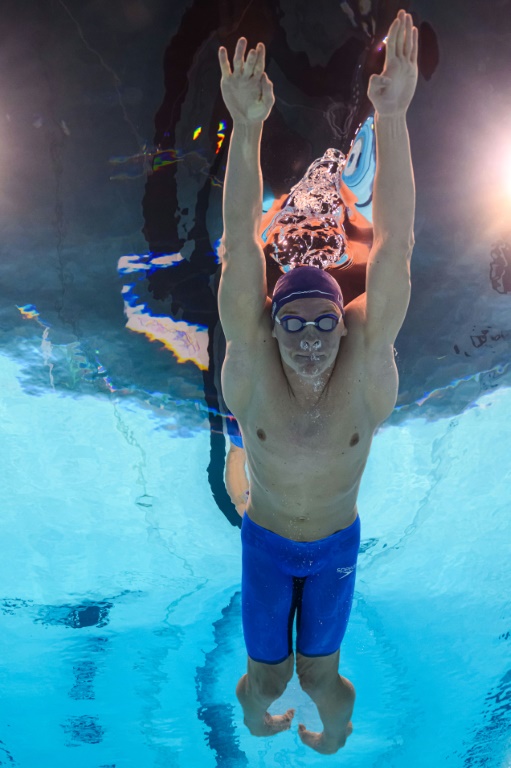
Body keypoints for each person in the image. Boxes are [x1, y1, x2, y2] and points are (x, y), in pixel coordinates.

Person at [217, 9, 418, 755]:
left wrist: (391, 116)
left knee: (320, 680)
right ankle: (252, 714)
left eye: (322, 324)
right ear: (270, 326)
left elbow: (393, 252)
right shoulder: (252, 367)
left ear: (346, 323)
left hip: (333, 546)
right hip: (266, 543)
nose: (308, 341)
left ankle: (338, 727)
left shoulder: (366, 373)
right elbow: (241, 247)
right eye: (293, 324)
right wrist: (245, 129)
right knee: (264, 685)